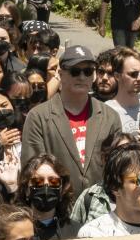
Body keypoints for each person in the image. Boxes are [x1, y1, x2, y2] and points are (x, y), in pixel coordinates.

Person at [22, 45, 123, 194]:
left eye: (88, 71)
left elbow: (118, 166)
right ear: (61, 74)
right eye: (75, 71)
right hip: (56, 205)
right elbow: (32, 169)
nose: (82, 77)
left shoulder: (110, 116)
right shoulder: (38, 116)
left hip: (101, 207)